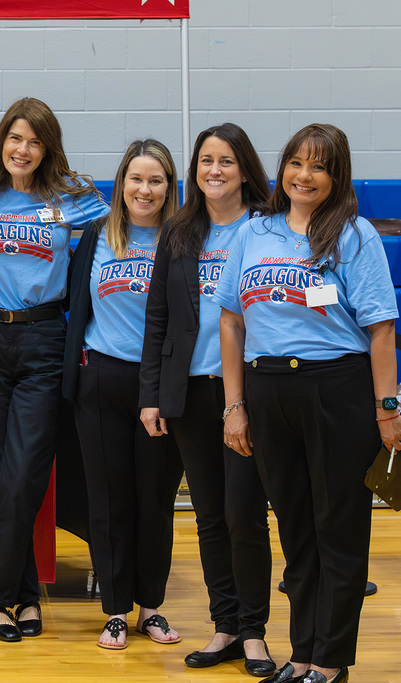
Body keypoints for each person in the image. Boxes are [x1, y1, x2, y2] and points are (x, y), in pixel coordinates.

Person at [215, 123, 401, 683]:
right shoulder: (254, 232)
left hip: (337, 391)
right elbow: (230, 321)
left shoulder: (354, 234)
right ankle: (300, 657)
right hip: (268, 390)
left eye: (318, 166)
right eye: (296, 163)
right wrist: (234, 405)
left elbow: (381, 329)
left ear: (335, 176)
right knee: (296, 535)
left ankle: (330, 661)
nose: (304, 175)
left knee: (339, 531)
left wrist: (386, 407)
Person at [0, 97, 109, 642]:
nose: (22, 150)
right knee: (0, 476)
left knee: (25, 474)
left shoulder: (74, 196)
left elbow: (131, 228)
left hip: (45, 338)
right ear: (2, 141)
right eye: (14, 138)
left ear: (48, 148)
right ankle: (25, 597)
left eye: (34, 141)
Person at [138, 123, 275, 675]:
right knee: (211, 515)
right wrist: (152, 395)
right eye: (205, 161)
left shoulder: (267, 229)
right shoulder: (179, 231)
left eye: (225, 161)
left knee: (245, 513)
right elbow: (157, 319)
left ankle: (255, 633)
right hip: (190, 392)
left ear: (244, 168)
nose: (213, 171)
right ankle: (225, 628)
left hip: (249, 395)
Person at [62, 139, 183, 650]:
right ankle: (114, 609)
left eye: (156, 180)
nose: (145, 189)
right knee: (107, 501)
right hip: (102, 380)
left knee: (154, 500)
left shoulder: (181, 240)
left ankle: (150, 607)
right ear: (122, 184)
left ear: (169, 188)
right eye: (136, 179)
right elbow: (74, 303)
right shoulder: (97, 234)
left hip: (158, 384)